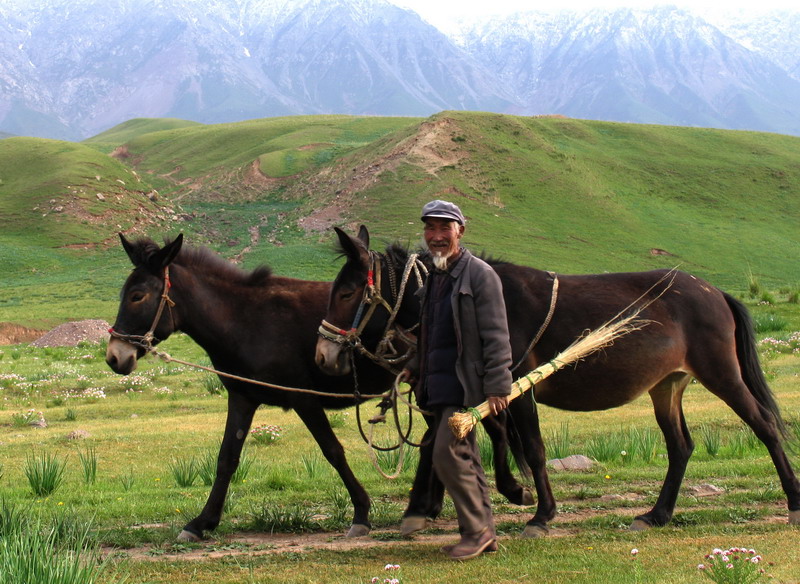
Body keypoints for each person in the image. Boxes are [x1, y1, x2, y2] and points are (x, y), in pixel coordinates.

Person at [401, 199, 512, 561]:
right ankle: (482, 534)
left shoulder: (479, 275)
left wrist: (498, 386)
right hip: (438, 382)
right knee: (463, 455)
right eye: (430, 229)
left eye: (443, 228)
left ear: (460, 231)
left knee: (447, 453)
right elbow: (431, 331)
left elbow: (497, 335)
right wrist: (414, 365)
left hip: (466, 383)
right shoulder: (435, 275)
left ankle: (478, 532)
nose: (435, 236)